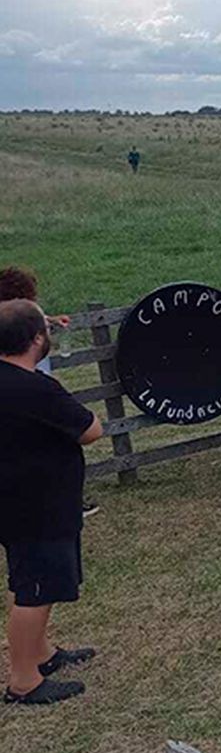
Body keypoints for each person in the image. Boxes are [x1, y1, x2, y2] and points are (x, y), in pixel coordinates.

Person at [0, 300, 103, 705]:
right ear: (36, 339)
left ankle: (40, 654)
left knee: (26, 582)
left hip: (14, 500)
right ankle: (23, 680)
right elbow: (90, 430)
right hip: (36, 505)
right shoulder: (34, 388)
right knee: (35, 590)